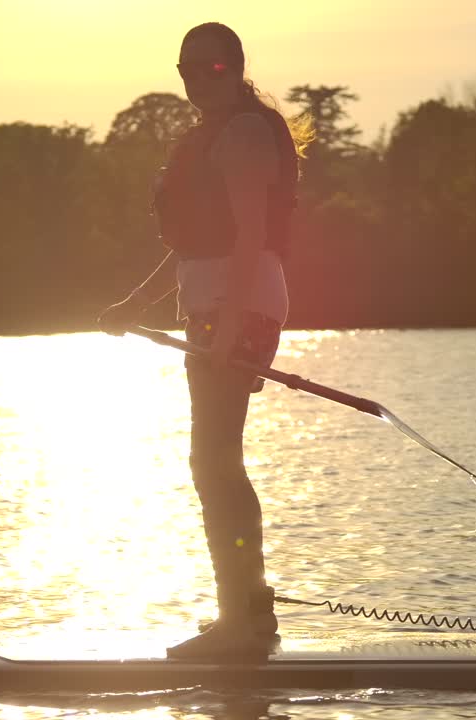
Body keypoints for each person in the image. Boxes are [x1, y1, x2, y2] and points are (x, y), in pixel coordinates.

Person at [98, 22, 309, 660]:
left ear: (236, 67)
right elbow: (197, 247)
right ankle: (247, 614)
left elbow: (247, 236)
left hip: (236, 310)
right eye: (187, 70)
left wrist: (237, 323)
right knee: (214, 461)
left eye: (211, 69)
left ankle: (241, 620)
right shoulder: (210, 135)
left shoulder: (245, 131)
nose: (196, 81)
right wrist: (136, 304)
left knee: (214, 462)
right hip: (219, 309)